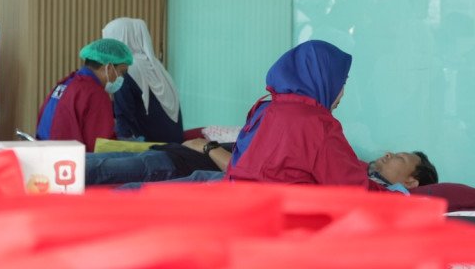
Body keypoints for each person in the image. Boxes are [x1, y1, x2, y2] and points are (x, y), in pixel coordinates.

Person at [224, 40, 386, 190]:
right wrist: (399, 198)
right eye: (341, 83)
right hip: (280, 210)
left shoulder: (263, 110)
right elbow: (353, 189)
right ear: (323, 80)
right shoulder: (317, 124)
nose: (342, 93)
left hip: (234, 204)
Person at [87, 139, 438, 193]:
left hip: (243, 186)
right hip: (208, 171)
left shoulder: (389, 192)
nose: (389, 155)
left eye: (400, 159)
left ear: (412, 181)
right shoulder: (351, 164)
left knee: (122, 185)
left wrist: (208, 147)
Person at [35, 38, 132, 151]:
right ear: (109, 67)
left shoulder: (68, 82)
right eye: (122, 72)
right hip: (70, 158)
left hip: (45, 151)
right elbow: (101, 147)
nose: (121, 77)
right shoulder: (95, 93)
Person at [102, 17, 184, 143]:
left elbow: (123, 123)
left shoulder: (124, 69)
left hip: (151, 149)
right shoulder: (156, 66)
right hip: (175, 144)